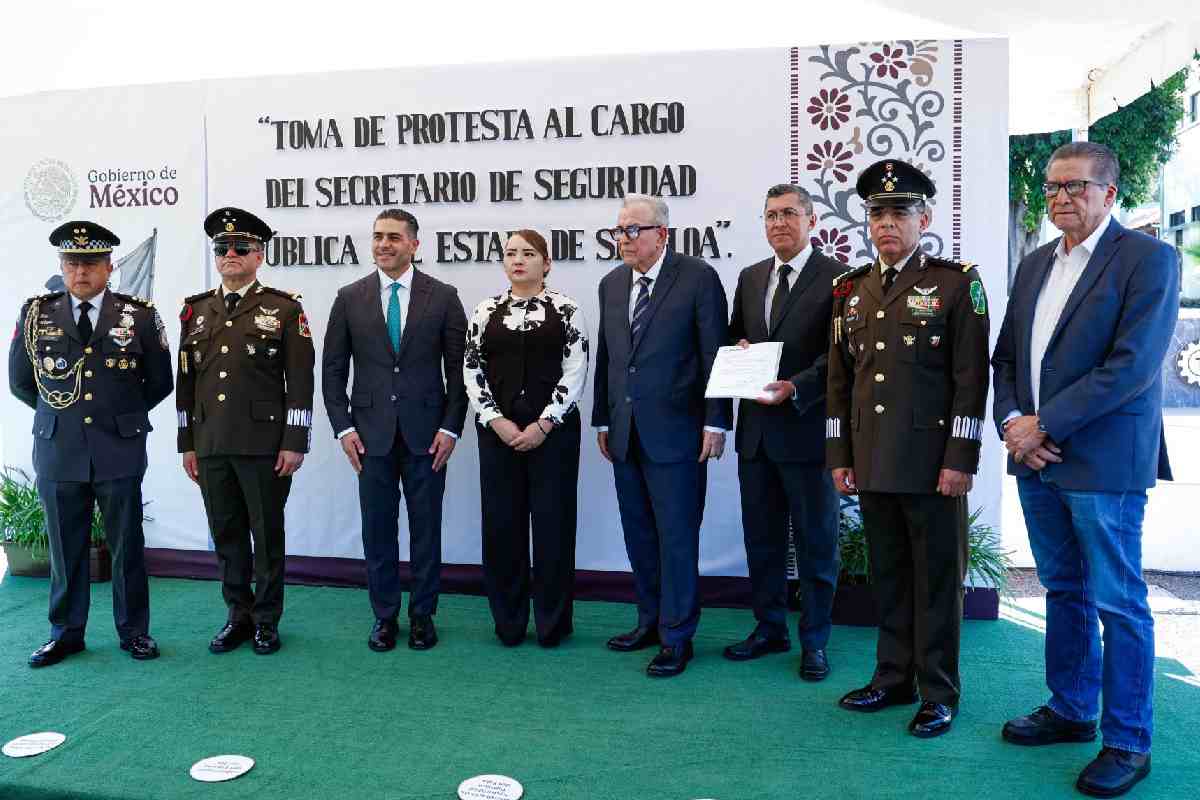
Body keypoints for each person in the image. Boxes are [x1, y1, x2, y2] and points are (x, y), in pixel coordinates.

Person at [992, 141, 1177, 798]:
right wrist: (1014, 422)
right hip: (1034, 456)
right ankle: (1071, 708)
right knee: (1062, 588)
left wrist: (1044, 423)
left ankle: (1128, 742)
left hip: (1103, 461)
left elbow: (1132, 365)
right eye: (1051, 187)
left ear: (1109, 193)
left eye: (1075, 186)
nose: (1060, 197)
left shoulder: (1149, 258)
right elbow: (1006, 359)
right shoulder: (1035, 263)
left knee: (1118, 602)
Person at [825, 160, 990, 737]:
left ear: (925, 218)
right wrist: (840, 456)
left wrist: (959, 459)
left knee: (937, 583)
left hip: (930, 464)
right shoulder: (850, 290)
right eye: (877, 214)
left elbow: (971, 380)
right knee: (890, 576)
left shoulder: (956, 284)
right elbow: (840, 382)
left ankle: (938, 691)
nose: (887, 223)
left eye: (900, 212)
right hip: (872, 460)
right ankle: (892, 677)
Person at [8, 221, 173, 667]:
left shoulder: (139, 315)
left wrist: (118, 415)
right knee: (65, 548)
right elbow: (21, 382)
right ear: (62, 266)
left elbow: (159, 381)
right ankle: (66, 634)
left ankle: (134, 632)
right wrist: (62, 412)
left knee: (126, 546)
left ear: (108, 267)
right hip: (59, 448)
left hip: (118, 446)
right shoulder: (36, 314)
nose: (80, 271)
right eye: (72, 262)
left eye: (91, 263)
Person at [593, 194, 731, 678]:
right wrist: (603, 420)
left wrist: (716, 421)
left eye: (634, 230)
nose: (624, 239)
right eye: (619, 230)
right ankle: (649, 621)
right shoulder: (611, 284)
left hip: (679, 434)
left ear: (662, 234)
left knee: (676, 539)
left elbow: (714, 355)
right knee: (639, 535)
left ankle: (677, 636)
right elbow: (608, 358)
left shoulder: (697, 278)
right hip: (625, 433)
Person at [322, 208, 467, 652]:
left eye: (394, 237)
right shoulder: (350, 297)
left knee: (427, 529)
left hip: (428, 436)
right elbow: (332, 371)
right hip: (369, 437)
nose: (384, 244)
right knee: (377, 530)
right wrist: (343, 428)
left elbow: (460, 372)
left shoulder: (444, 297)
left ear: (414, 245)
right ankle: (384, 616)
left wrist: (451, 428)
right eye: (378, 237)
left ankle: (423, 615)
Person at [176, 207, 314, 656]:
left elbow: (301, 382)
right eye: (222, 247)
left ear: (259, 255)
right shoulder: (195, 310)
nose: (230, 254)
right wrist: (187, 443)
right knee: (226, 533)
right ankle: (238, 615)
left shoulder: (284, 308)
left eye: (241, 247)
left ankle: (266, 621)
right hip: (211, 443)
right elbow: (186, 384)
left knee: (266, 536)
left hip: (263, 446)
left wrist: (294, 441)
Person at [724, 184, 843, 681]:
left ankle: (814, 641)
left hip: (807, 430)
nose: (779, 223)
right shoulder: (751, 277)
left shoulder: (839, 277)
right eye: (771, 215)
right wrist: (739, 351)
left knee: (816, 544)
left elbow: (841, 354)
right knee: (762, 541)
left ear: (812, 220)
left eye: (789, 214)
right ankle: (769, 628)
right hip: (756, 435)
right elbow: (735, 335)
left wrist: (796, 387)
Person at [463, 229, 588, 647]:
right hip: (498, 436)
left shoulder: (567, 309)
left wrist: (544, 424)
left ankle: (553, 625)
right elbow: (472, 369)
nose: (518, 260)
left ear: (546, 263)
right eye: (511, 253)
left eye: (529, 253)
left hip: (554, 436)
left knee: (554, 528)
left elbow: (576, 371)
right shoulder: (485, 311)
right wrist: (495, 420)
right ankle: (509, 623)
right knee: (502, 529)